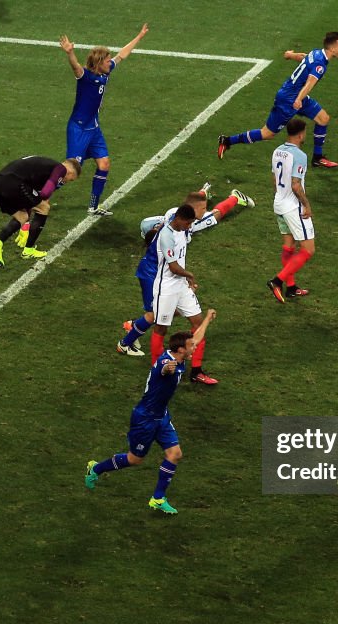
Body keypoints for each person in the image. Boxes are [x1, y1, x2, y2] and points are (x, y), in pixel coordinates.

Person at [85, 310, 217, 515]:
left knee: (175, 454)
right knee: (134, 460)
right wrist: (168, 369)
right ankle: (96, 469)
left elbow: (197, 338)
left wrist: (207, 318)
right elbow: (164, 369)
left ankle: (157, 498)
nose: (195, 347)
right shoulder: (167, 363)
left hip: (161, 416)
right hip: (144, 418)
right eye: (191, 346)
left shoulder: (179, 356)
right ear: (181, 349)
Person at [118, 183, 254, 358]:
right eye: (203, 208)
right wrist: (189, 276)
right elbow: (211, 216)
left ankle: (138, 325)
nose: (204, 211)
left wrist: (202, 194)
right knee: (155, 316)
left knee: (169, 312)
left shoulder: (174, 214)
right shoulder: (186, 225)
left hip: (162, 272)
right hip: (153, 273)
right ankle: (127, 341)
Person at [218, 32, 338, 168]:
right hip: (289, 99)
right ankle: (227, 141)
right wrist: (298, 99)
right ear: (332, 48)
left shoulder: (317, 53)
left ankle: (317, 158)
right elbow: (309, 83)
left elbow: (304, 58)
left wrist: (290, 55)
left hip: (295, 95)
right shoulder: (321, 65)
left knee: (323, 118)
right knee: (267, 133)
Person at [60, 23, 149, 216]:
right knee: (69, 173)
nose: (111, 62)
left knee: (104, 164)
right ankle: (40, 194)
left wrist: (139, 36)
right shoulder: (86, 77)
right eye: (107, 60)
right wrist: (69, 53)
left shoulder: (105, 73)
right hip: (79, 130)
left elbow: (122, 55)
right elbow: (75, 67)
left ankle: (93, 207)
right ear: (99, 63)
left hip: (94, 128)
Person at [143, 204, 222, 384]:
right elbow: (173, 266)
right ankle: (157, 369)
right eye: (188, 223)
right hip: (167, 288)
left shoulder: (182, 230)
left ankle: (196, 371)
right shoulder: (166, 235)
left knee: (198, 323)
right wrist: (190, 275)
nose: (189, 227)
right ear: (180, 219)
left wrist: (185, 280)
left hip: (181, 286)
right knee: (161, 328)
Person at [0, 156, 81, 267]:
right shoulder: (61, 169)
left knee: (22, 216)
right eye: (70, 179)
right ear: (70, 172)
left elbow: (29, 199)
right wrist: (43, 199)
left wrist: (26, 224)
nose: (66, 182)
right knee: (44, 208)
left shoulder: (43, 168)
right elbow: (45, 193)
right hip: (13, 184)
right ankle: (28, 250)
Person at [265, 118, 314, 303]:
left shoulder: (277, 151)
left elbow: (274, 178)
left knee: (289, 246)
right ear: (301, 134)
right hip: (293, 207)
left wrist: (280, 197)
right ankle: (277, 281)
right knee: (308, 250)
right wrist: (306, 205)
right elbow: (295, 185)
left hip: (279, 203)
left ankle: (291, 288)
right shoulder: (299, 156)